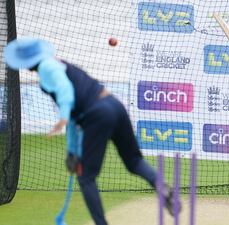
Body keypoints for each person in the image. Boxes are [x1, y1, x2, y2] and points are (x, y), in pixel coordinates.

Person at [4, 37, 179, 224]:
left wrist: (62, 117)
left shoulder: (46, 68)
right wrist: (72, 152)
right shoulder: (61, 64)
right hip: (114, 105)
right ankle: (163, 188)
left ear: (27, 63)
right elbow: (74, 119)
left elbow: (65, 93)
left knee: (86, 177)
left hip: (97, 114)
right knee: (134, 161)